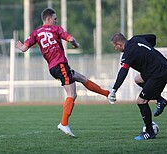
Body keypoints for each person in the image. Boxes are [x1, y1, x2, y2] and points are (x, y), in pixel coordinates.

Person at [15, 8, 110, 138]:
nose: (56, 20)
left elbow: (24, 48)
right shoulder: (56, 29)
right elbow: (70, 38)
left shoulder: (35, 32)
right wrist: (75, 44)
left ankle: (108, 94)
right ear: (48, 19)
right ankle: (63, 123)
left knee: (81, 77)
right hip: (60, 64)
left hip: (53, 67)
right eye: (55, 18)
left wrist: (19, 44)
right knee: (72, 94)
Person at [108, 33, 167, 140]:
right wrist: (148, 51)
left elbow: (123, 71)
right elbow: (153, 37)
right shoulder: (136, 39)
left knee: (141, 101)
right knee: (138, 79)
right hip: (164, 66)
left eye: (115, 47)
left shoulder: (128, 53)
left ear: (119, 44)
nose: (116, 49)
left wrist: (114, 89)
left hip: (157, 74)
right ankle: (160, 100)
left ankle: (149, 132)